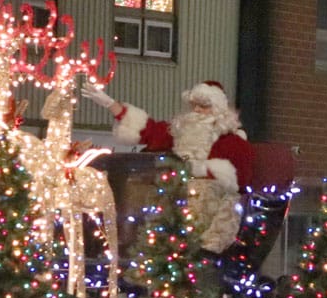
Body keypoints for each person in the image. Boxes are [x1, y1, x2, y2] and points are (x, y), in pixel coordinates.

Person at [82, 80, 255, 253]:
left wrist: (201, 175)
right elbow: (148, 130)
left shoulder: (234, 144)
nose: (197, 111)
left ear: (219, 111)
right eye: (194, 105)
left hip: (208, 212)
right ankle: (123, 241)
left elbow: (239, 183)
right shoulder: (180, 133)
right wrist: (110, 104)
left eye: (203, 106)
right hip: (173, 206)